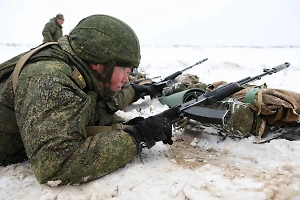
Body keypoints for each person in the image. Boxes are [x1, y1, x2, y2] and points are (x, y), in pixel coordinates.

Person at [0, 14, 179, 186]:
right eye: (125, 70)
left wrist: (124, 118)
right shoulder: (50, 79)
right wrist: (138, 136)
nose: (126, 80)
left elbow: (89, 108)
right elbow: (57, 165)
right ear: (99, 63)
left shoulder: (78, 69)